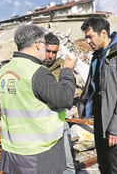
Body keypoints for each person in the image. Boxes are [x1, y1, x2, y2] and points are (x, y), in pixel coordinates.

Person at [0, 24, 78, 174]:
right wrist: (67, 70)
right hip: (38, 152)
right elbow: (65, 99)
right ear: (39, 44)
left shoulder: (3, 72)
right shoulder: (37, 72)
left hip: (12, 149)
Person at [78, 16, 117, 174]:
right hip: (101, 122)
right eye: (86, 37)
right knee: (104, 168)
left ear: (103, 33)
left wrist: (116, 128)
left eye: (90, 36)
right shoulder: (97, 57)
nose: (88, 41)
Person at [44, 32, 76, 174]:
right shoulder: (33, 67)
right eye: (48, 51)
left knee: (67, 167)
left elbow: (67, 93)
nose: (50, 56)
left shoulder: (62, 66)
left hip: (59, 122)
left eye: (54, 52)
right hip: (40, 124)